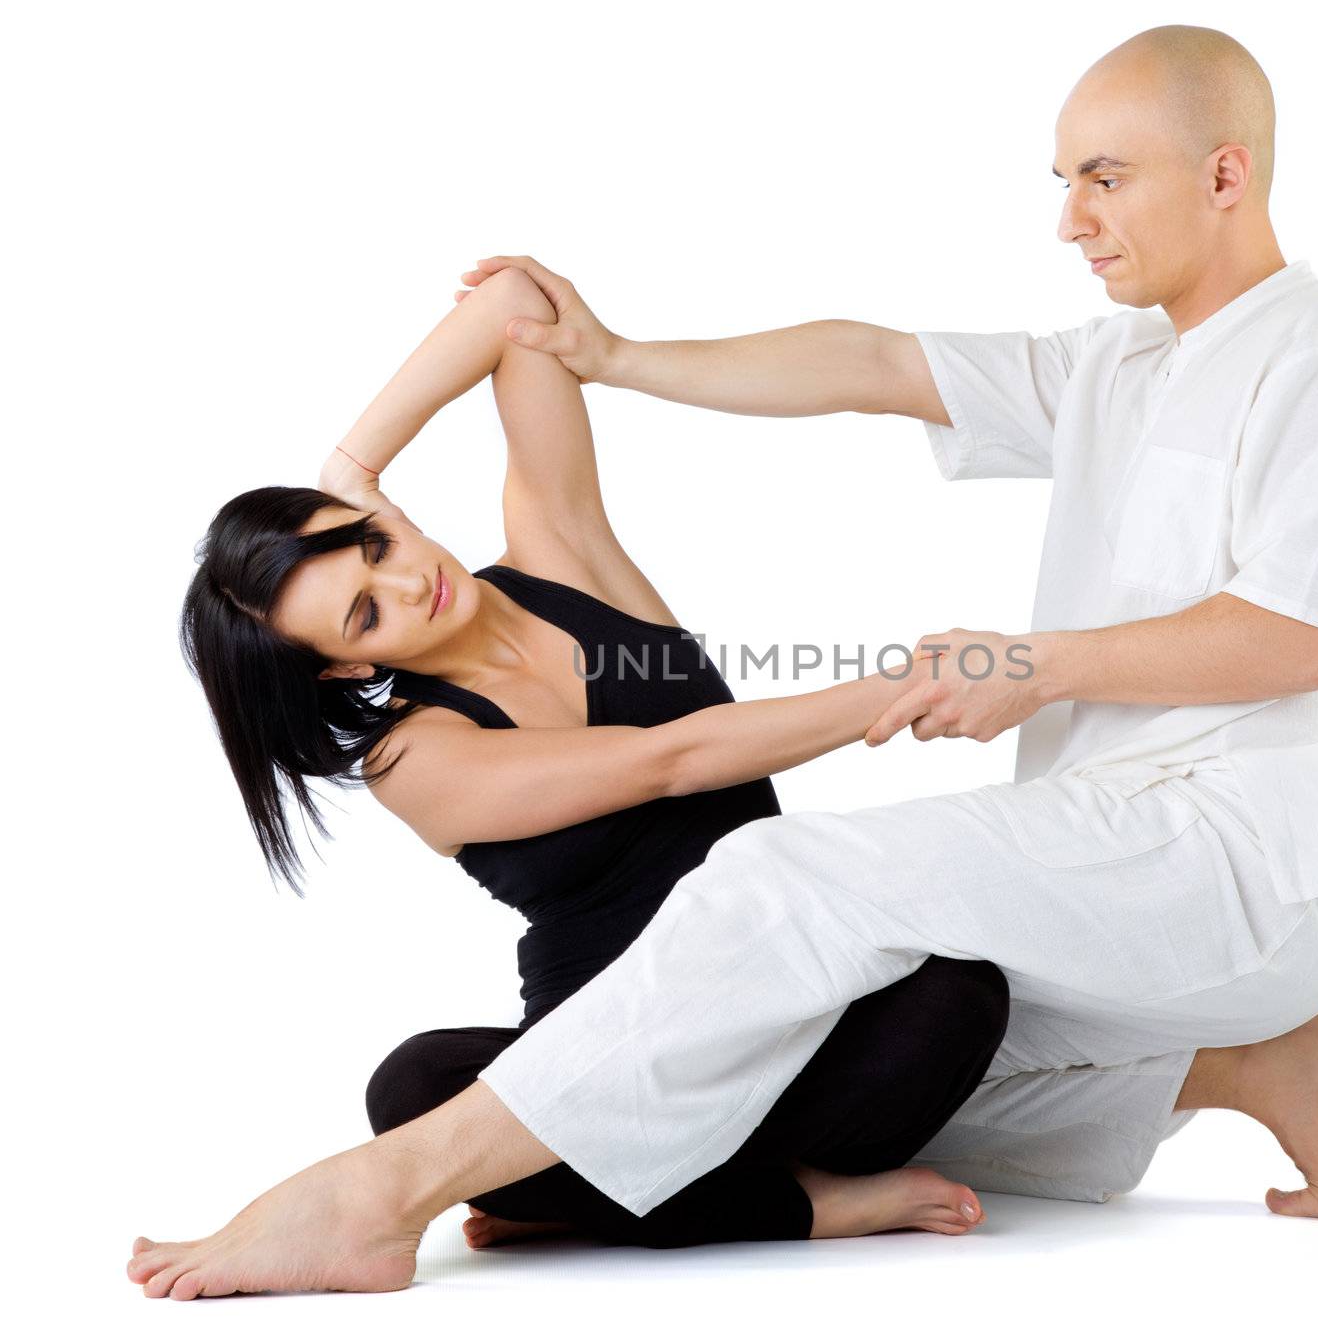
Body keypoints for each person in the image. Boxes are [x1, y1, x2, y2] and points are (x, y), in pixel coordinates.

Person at [128, 23, 1318, 1299]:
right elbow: (871, 361)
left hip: (1237, 859)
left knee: (793, 886)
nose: (1071, 219)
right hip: (1103, 856)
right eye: (1065, 182)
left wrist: (1023, 664)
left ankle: (376, 1195)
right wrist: (625, 360)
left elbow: (1311, 636)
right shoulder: (1122, 363)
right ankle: (1266, 1066)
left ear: (1226, 174)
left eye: (1105, 177)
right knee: (900, 1031)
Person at [173, 248, 1017, 1248]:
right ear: (343, 674)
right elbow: (676, 759)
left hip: (784, 1010)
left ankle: (593, 1203)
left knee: (956, 996)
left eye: (375, 543)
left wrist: (352, 465)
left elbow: (516, 306)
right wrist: (903, 682)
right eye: (363, 615)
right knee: (415, 1085)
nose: (408, 583)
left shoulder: (559, 548)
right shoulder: (417, 758)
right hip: (610, 1062)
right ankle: (803, 1204)